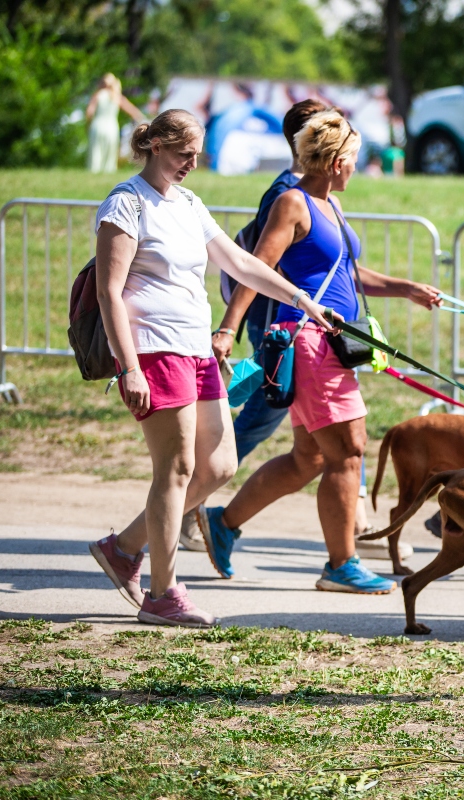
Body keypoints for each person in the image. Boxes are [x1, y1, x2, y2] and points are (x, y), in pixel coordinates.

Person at [88, 109, 333, 627]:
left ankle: (125, 547)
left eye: (197, 155)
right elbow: (109, 291)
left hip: (197, 349)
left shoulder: (189, 203)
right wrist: (128, 366)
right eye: (183, 154)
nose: (191, 164)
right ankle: (162, 593)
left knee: (219, 465)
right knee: (174, 470)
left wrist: (301, 299)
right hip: (154, 349)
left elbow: (240, 263)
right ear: (154, 144)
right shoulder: (126, 203)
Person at [197, 110, 441, 595]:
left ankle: (223, 522)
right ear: (334, 162)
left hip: (327, 342)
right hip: (308, 342)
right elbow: (255, 269)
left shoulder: (329, 205)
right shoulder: (293, 202)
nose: (357, 167)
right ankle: (340, 564)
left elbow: (348, 274)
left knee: (309, 457)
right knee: (348, 451)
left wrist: (404, 287)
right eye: (353, 159)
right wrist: (228, 328)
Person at [174, 98, 327, 552]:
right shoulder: (286, 192)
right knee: (256, 423)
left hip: (307, 333)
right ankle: (183, 505)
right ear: (308, 140)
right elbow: (254, 265)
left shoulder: (317, 190)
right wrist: (229, 327)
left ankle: (352, 525)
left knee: (327, 435)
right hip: (279, 333)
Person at [86, 73, 145, 173]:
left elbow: (89, 112)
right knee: (110, 155)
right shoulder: (117, 97)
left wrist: (88, 124)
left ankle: (93, 172)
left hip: (97, 125)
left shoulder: (98, 95)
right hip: (111, 127)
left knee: (96, 153)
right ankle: (108, 173)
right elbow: (136, 114)